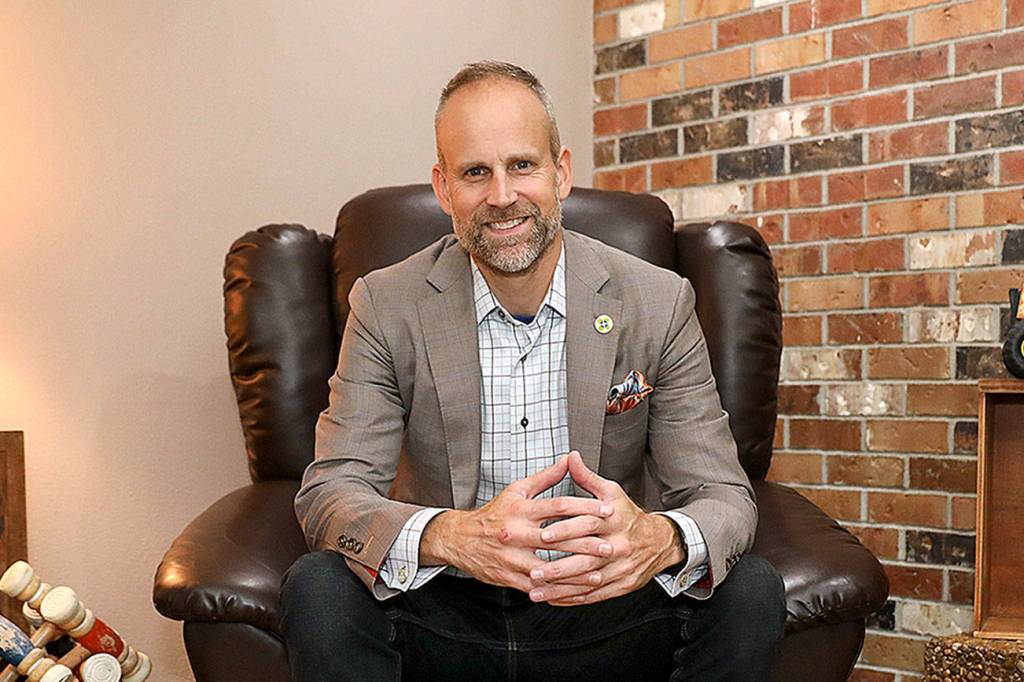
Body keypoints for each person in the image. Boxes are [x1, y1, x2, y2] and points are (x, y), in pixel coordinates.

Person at [281, 60, 786, 681]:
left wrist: (656, 540)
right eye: (475, 172)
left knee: (750, 589)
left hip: (606, 605)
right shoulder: (386, 305)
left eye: (522, 165)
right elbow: (332, 492)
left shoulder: (658, 302)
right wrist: (454, 537)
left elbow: (724, 496)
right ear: (443, 188)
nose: (501, 196)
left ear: (561, 172)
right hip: (447, 607)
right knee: (320, 588)